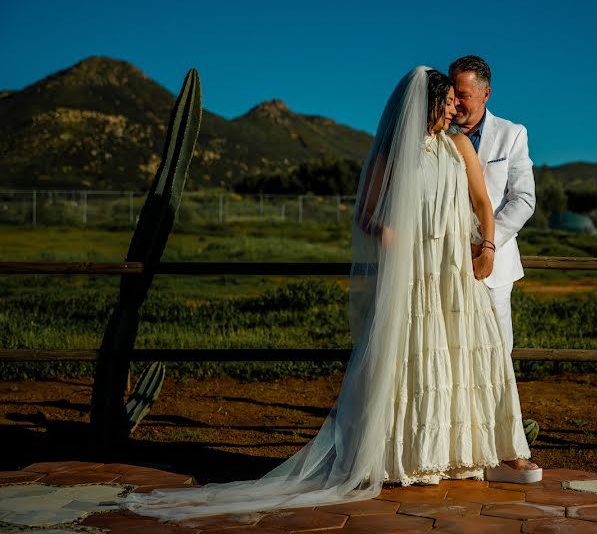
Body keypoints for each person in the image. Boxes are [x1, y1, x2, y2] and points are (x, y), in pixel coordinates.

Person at [120, 67, 539, 521]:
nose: (455, 108)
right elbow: (366, 215)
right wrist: (394, 238)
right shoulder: (392, 154)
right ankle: (409, 456)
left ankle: (467, 451)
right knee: (408, 358)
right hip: (413, 275)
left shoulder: (459, 146)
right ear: (428, 104)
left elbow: (482, 201)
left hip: (454, 271)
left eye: (459, 100)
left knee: (466, 359)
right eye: (448, 101)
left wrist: (488, 246)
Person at [448, 56, 536, 354]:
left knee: (496, 353)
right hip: (445, 263)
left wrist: (487, 243)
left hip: (493, 266)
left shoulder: (512, 135)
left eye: (464, 95)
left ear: (486, 94)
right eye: (453, 93)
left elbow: (523, 199)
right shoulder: (438, 135)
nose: (456, 102)